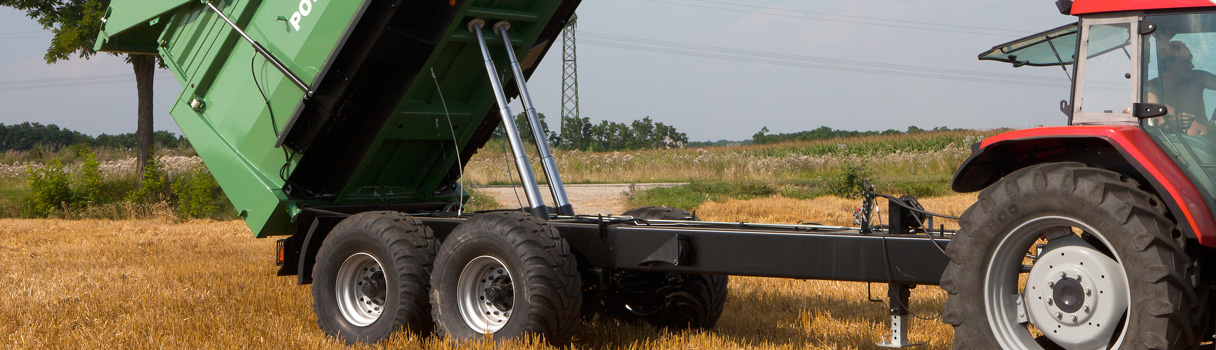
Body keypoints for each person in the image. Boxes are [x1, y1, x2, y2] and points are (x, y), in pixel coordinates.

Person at [1145, 41, 1216, 136]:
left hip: (1209, 142)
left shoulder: (1198, 77)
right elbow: (1153, 120)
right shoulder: (1153, 88)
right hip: (1179, 146)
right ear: (1169, 64)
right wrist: (1176, 123)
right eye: (1185, 62)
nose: (1192, 66)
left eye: (1190, 60)